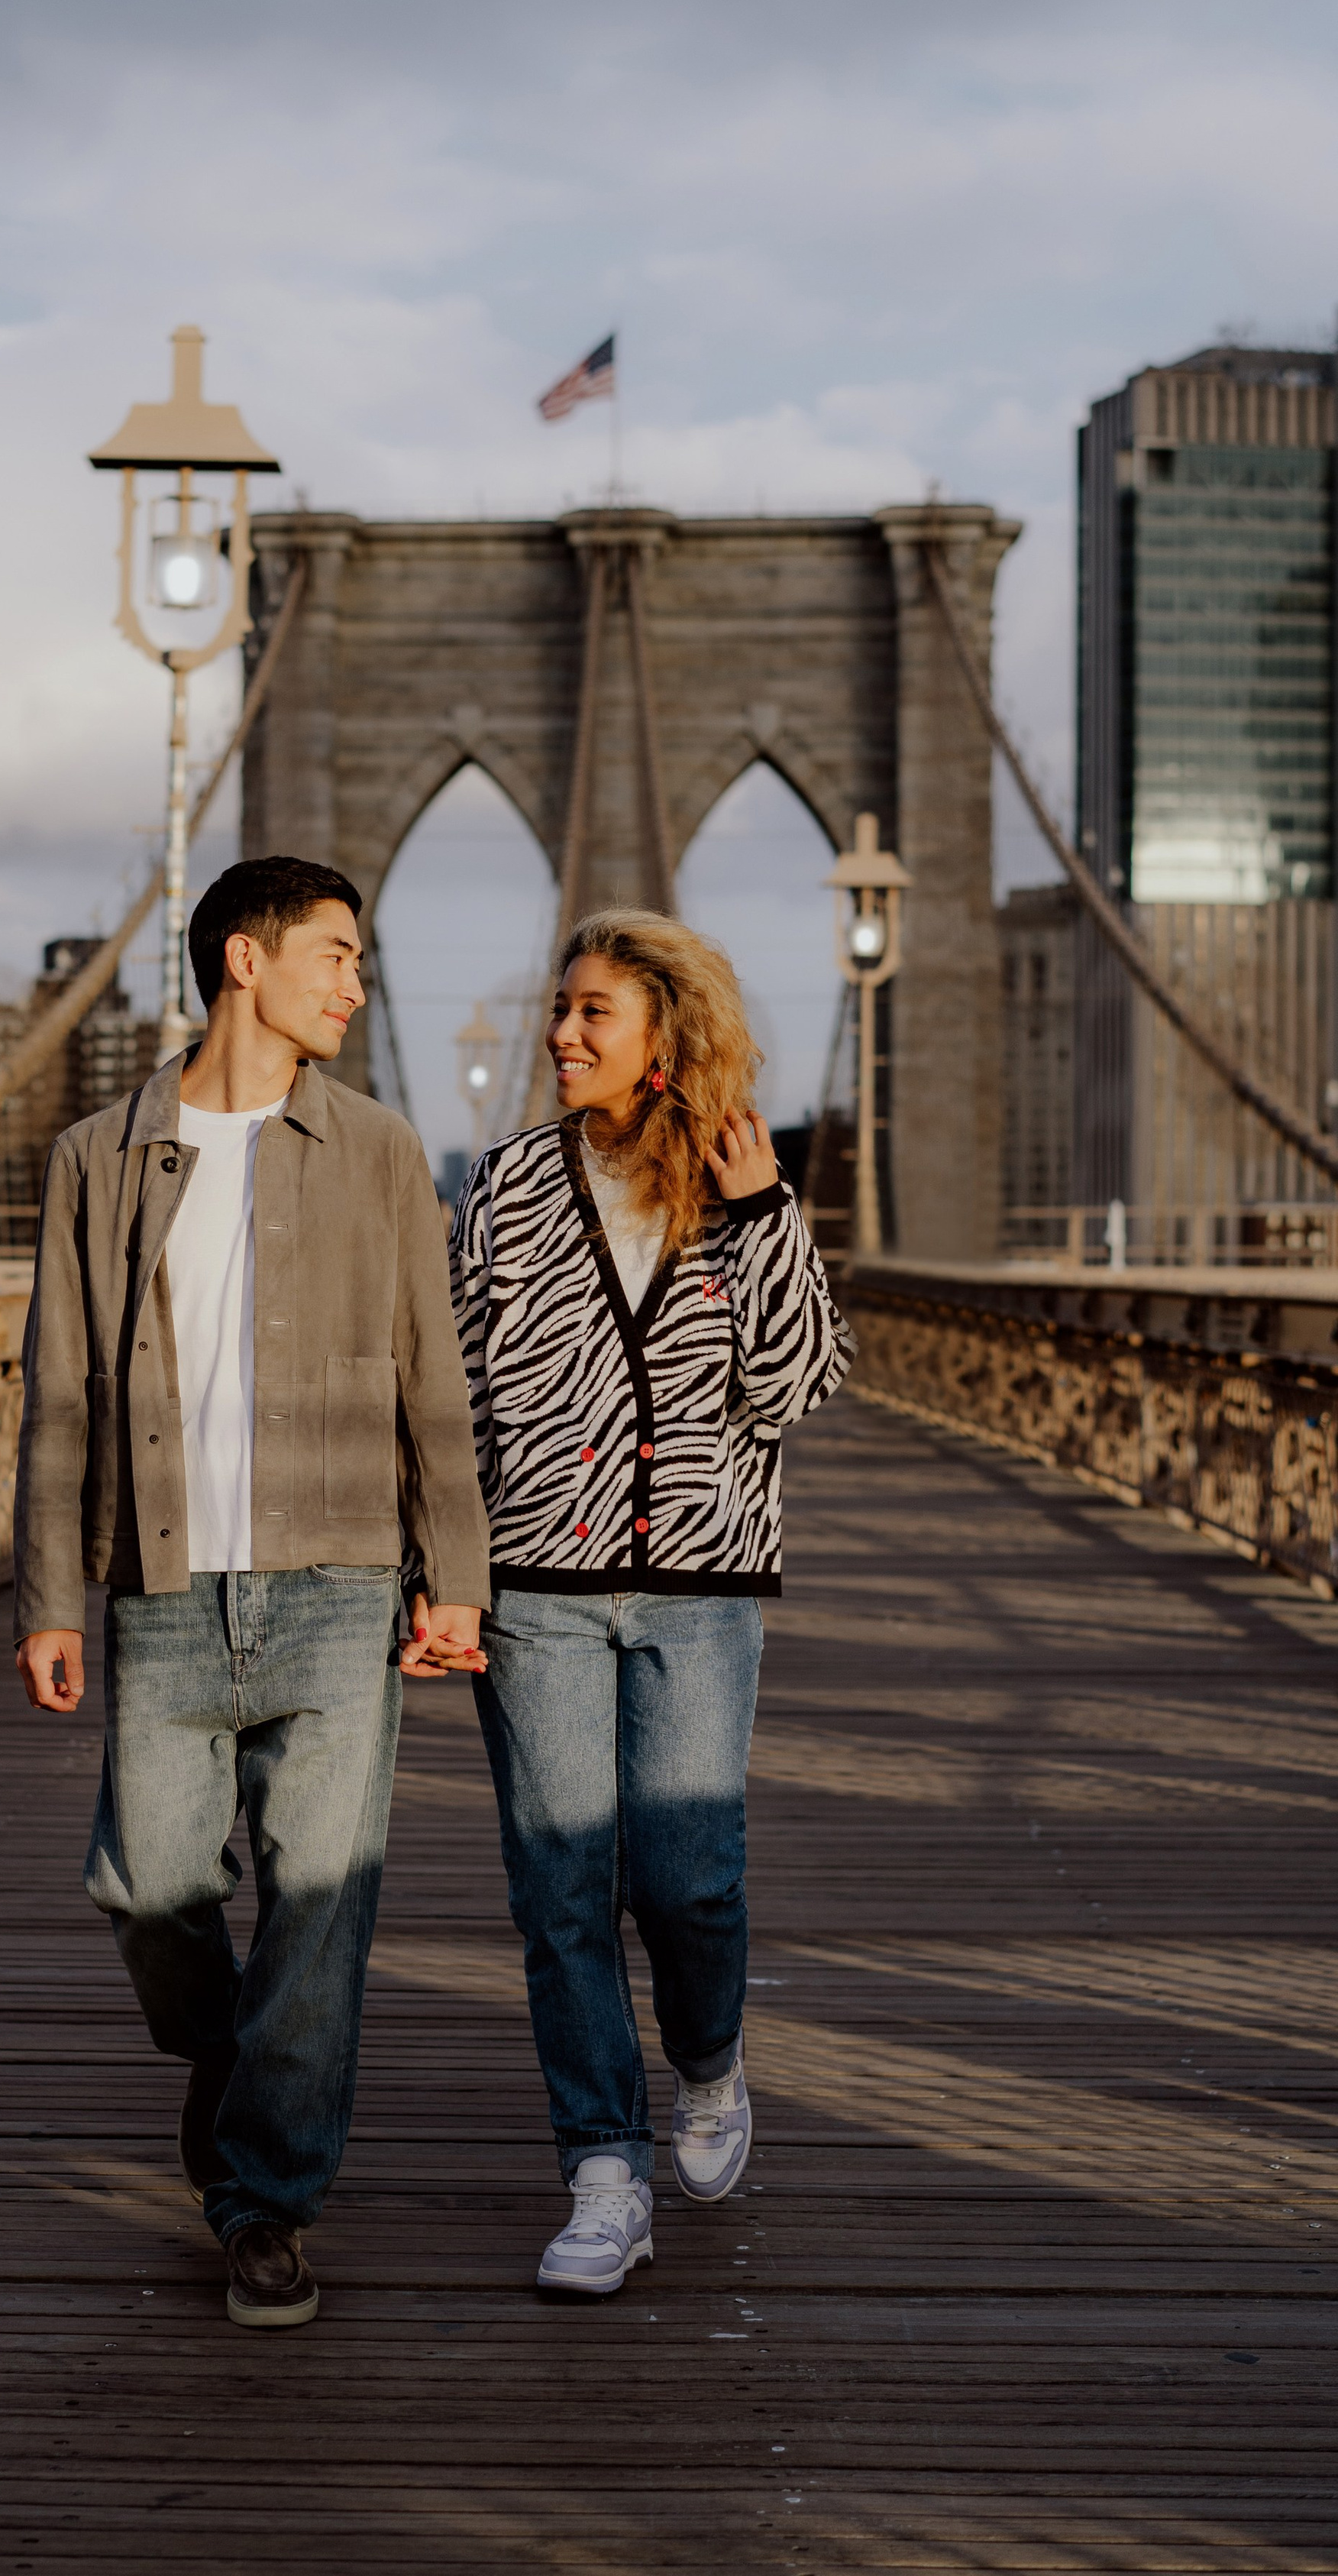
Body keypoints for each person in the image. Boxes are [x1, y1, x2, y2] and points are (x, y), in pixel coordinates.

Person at [14, 855, 490, 2331]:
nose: (357, 982)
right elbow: (57, 1392)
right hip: (162, 1581)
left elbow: (435, 1388)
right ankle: (238, 2066)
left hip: (341, 1581)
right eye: (335, 954)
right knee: (153, 1884)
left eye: (360, 958)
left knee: (319, 1911)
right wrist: (48, 1591)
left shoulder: (384, 1151)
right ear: (243, 958)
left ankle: (267, 2203)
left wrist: (454, 1577)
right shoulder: (100, 1154)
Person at [448, 908, 852, 2296]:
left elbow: (792, 1389)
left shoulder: (743, 1190)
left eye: (590, 1014)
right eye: (560, 1009)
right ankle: (603, 2168)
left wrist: (761, 1218)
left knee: (688, 1880)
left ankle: (712, 2062)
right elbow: (450, 1395)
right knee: (560, 1887)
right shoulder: (504, 1186)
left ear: (664, 1038)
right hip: (535, 1587)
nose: (559, 1034)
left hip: (699, 1587)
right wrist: (437, 1575)